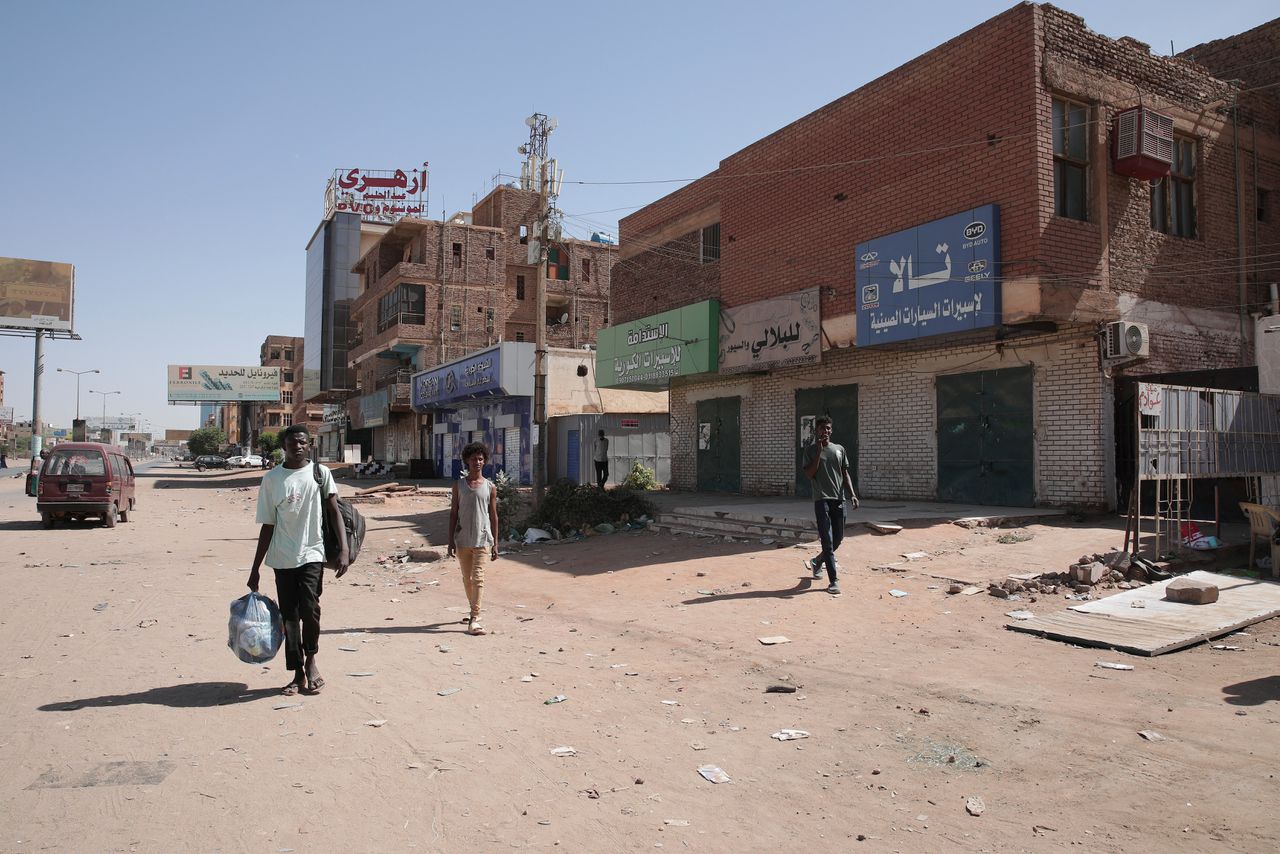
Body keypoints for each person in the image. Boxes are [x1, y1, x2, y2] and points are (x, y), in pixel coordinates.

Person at [247, 424, 349, 696]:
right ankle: (297, 672)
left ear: (309, 444)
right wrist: (255, 568)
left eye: (303, 442)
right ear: (284, 446)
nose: (298, 447)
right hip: (282, 558)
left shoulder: (320, 473)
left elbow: (334, 511)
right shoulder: (272, 480)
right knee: (290, 618)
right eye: (293, 443)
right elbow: (267, 525)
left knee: (310, 610)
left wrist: (344, 549)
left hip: (312, 554)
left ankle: (312, 658)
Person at [801, 415, 858, 595]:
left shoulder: (839, 449)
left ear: (831, 430)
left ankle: (818, 561)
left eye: (827, 428)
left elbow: (845, 473)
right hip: (821, 499)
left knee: (838, 539)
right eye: (821, 429)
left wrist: (852, 494)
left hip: (839, 499)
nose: (824, 431)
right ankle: (834, 581)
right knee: (827, 540)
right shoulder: (810, 451)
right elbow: (809, 474)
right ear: (816, 431)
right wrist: (818, 451)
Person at [447, 441, 499, 636]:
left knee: (478, 579)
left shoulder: (490, 487)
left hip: (482, 539)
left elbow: (493, 516)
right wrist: (450, 540)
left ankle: (474, 618)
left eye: (480, 458)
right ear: (467, 461)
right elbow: (453, 514)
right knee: (467, 579)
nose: (477, 461)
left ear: (484, 461)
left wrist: (495, 543)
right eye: (473, 458)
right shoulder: (459, 486)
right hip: (462, 540)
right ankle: (473, 608)